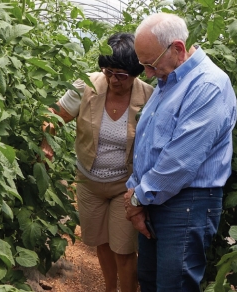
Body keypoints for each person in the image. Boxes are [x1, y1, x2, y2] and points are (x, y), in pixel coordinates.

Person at [123, 13, 237, 291]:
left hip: (187, 203)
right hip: (155, 197)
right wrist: (137, 195)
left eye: (150, 64)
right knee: (149, 280)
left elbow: (180, 160)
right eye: (143, 64)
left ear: (178, 48)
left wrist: (137, 199)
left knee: (175, 285)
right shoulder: (168, 82)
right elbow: (149, 144)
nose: (148, 73)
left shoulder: (207, 85)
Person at [41, 32, 154, 292]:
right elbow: (55, 115)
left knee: (124, 250)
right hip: (89, 183)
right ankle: (108, 289)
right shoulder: (86, 86)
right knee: (102, 243)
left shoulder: (148, 97)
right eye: (108, 72)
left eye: (121, 75)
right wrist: (47, 140)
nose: (113, 80)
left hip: (124, 187)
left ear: (136, 73)